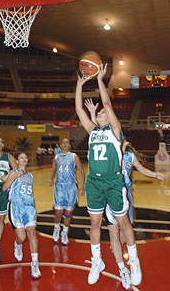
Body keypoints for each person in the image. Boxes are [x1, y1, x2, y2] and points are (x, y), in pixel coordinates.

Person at [85, 98, 166, 289]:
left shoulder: (129, 156)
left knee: (126, 228)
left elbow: (143, 170)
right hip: (108, 190)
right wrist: (92, 115)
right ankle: (122, 268)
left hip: (124, 195)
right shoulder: (111, 149)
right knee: (114, 235)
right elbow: (95, 131)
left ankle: (129, 262)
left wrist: (156, 174)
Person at [75, 64, 142, 287]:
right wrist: (79, 85)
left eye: (104, 112)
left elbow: (106, 103)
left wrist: (100, 80)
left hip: (113, 182)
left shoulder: (115, 131)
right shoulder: (93, 131)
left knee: (123, 224)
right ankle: (97, 262)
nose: (102, 112)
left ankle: (134, 261)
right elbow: (78, 111)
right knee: (94, 224)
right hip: (94, 182)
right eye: (100, 113)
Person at [2, 153, 41, 279]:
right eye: (21, 157)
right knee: (22, 237)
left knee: (32, 232)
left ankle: (35, 263)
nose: (24, 159)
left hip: (29, 207)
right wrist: (14, 177)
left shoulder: (30, 175)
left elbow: (31, 191)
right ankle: (17, 244)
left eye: (26, 157)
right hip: (16, 206)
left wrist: (34, 205)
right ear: (17, 161)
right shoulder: (13, 172)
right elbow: (4, 188)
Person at [49, 138, 85, 245]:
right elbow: (53, 169)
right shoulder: (56, 157)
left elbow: (82, 171)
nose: (65, 144)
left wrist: (82, 186)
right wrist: (51, 178)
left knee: (68, 212)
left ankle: (65, 232)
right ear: (60, 145)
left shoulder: (74, 156)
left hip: (71, 187)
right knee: (58, 212)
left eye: (67, 142)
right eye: (63, 142)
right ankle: (56, 229)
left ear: (69, 146)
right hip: (59, 186)